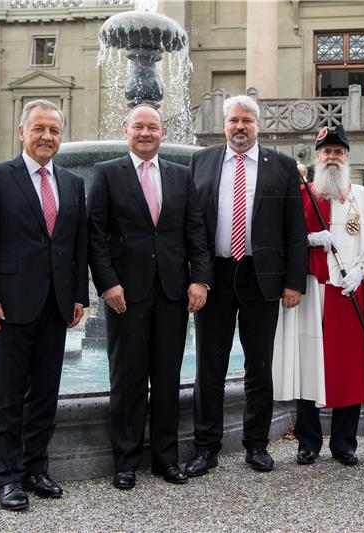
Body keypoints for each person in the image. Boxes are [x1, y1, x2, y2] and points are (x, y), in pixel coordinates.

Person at [0, 99, 88, 510]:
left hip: (55, 306)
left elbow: (76, 246)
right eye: (38, 129)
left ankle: (36, 469)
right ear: (22, 132)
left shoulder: (72, 183)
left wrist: (77, 297)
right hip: (6, 308)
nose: (46, 137)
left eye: (53, 130)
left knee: (44, 396)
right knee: (4, 395)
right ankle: (7, 477)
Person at [86, 104, 211, 490]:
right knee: (127, 377)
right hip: (126, 293)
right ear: (126, 130)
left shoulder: (180, 175)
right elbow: (95, 235)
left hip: (173, 293)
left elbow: (195, 233)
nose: (145, 133)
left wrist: (200, 280)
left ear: (163, 132)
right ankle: (125, 461)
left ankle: (165, 458)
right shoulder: (107, 174)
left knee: (167, 377)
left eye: (152, 127)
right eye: (139, 126)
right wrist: (107, 284)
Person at [185, 95, 307, 474]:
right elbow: (192, 225)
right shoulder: (200, 161)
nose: (240, 127)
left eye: (247, 121)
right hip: (214, 277)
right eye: (234, 120)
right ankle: (206, 447)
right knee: (210, 367)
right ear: (225, 124)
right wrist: (196, 277)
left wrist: (293, 282)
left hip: (262, 278)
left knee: (259, 366)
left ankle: (256, 444)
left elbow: (295, 230)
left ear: (258, 124)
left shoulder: (283, 167)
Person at [272, 125, 364, 466]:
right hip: (313, 294)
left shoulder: (363, 197)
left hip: (350, 291)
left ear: (347, 157)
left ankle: (344, 442)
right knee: (309, 365)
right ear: (317, 156)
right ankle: (308, 442)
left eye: (339, 151)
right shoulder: (303, 194)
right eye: (327, 151)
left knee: (348, 368)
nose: (333, 157)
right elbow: (288, 238)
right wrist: (312, 239)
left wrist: (362, 272)